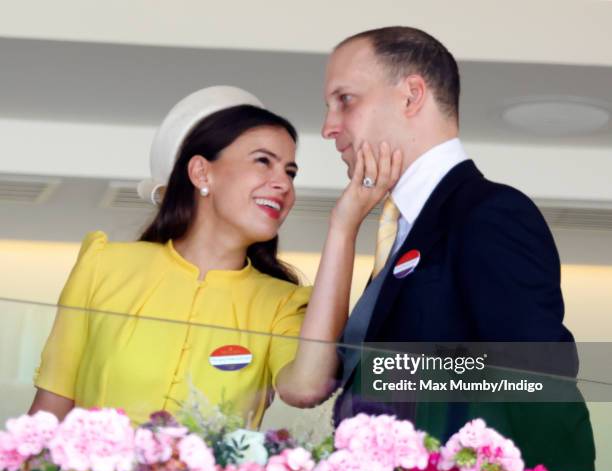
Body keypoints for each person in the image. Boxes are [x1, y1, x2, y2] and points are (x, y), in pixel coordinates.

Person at [322, 27, 595, 471]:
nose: (329, 127)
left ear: (411, 95)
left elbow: (542, 384)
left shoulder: (489, 213)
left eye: (345, 101)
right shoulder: (400, 228)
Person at [29, 86, 401, 429]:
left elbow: (306, 388)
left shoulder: (281, 303)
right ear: (201, 171)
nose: (283, 183)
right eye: (263, 162)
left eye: (290, 171)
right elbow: (48, 414)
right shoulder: (104, 265)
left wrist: (344, 226)